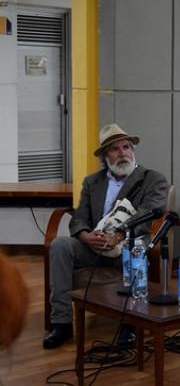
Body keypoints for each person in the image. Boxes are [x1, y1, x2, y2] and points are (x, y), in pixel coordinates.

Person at [43, 124, 169, 349]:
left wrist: (120, 235)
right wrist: (84, 236)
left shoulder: (152, 179)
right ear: (105, 156)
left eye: (127, 147)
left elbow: (148, 213)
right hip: (93, 245)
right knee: (61, 244)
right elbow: (79, 216)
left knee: (137, 248)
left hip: (128, 243)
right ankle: (61, 323)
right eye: (115, 149)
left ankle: (130, 325)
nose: (122, 153)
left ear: (133, 151)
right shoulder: (93, 181)